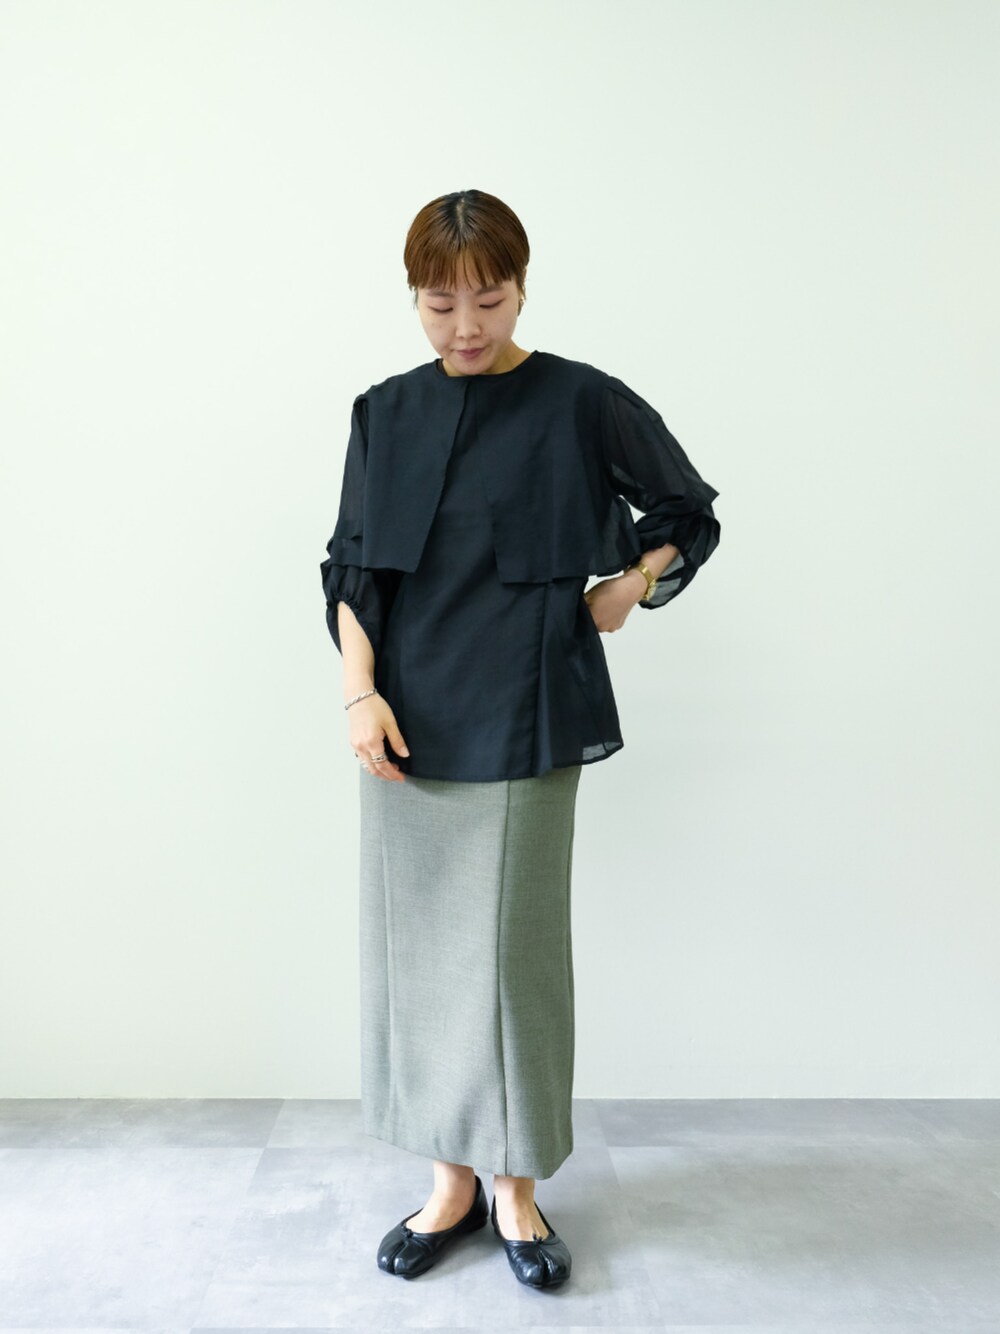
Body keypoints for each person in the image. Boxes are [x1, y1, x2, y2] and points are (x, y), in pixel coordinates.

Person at [319, 189, 721, 1287]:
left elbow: (687, 510)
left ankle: (517, 1187)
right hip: (406, 715)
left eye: (487, 301)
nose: (464, 326)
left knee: (512, 961)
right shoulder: (385, 411)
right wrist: (359, 694)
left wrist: (631, 584)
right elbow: (351, 568)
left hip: (531, 704)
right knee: (419, 957)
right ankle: (449, 1180)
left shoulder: (581, 399)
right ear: (413, 297)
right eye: (439, 303)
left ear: (522, 287)